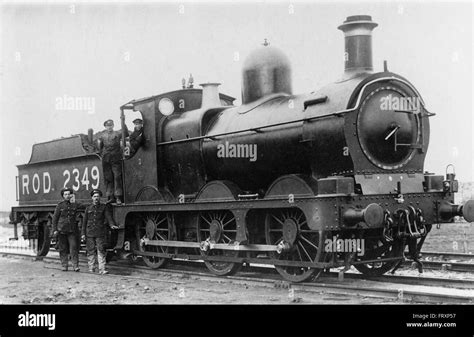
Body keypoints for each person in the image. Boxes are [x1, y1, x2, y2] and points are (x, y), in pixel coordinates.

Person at [81, 189, 119, 274]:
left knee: (101, 250)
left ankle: (102, 269)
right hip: (89, 232)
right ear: (92, 198)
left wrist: (112, 225)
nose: (96, 198)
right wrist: (83, 234)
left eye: (97, 196)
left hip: (100, 232)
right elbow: (84, 222)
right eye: (94, 196)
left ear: (100, 198)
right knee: (90, 250)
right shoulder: (88, 208)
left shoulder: (103, 207)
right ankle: (91, 268)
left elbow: (108, 217)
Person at [52, 188, 83, 272]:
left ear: (71, 195)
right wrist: (54, 229)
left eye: (69, 194)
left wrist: (74, 200)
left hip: (71, 230)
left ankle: (75, 266)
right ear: (63, 196)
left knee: (73, 247)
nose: (67, 196)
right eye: (65, 194)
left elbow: (83, 206)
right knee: (63, 248)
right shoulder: (60, 206)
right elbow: (55, 218)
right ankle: (64, 265)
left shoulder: (75, 205)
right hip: (62, 230)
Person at [97, 119, 128, 204]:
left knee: (117, 177)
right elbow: (100, 147)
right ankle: (110, 196)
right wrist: (102, 155)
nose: (109, 127)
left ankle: (118, 197)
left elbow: (126, 133)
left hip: (116, 158)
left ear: (113, 126)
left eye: (111, 125)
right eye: (107, 126)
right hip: (106, 158)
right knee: (108, 178)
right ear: (105, 127)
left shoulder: (117, 134)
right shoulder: (102, 136)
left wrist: (123, 122)